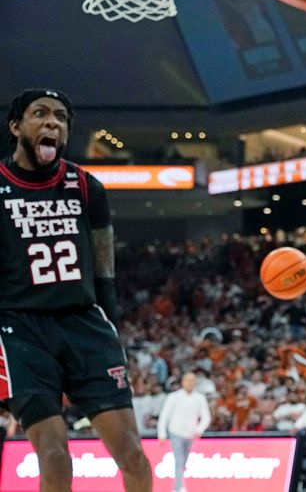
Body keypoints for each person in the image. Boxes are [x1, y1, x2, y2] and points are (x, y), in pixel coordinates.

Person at [0, 89, 152, 491]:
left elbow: (105, 274)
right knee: (54, 456)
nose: (53, 123)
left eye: (61, 118)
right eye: (41, 114)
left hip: (84, 324)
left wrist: (113, 331)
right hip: (20, 330)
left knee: (133, 454)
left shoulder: (87, 188)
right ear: (16, 127)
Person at [157, 372, 211, 492]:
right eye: (187, 381)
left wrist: (199, 430)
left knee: (184, 461)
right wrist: (161, 433)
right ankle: (178, 487)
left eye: (192, 381)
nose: (189, 383)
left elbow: (206, 417)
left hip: (191, 435)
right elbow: (165, 415)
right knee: (179, 460)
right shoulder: (173, 397)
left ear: (195, 383)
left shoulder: (199, 398)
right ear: (182, 382)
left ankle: (179, 484)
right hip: (175, 432)